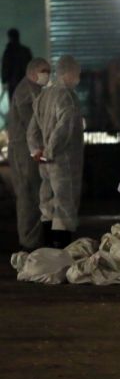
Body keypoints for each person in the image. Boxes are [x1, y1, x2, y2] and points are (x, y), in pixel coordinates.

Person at [27, 55, 83, 248]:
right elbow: (64, 126)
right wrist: (51, 150)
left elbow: (32, 129)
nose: (78, 78)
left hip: (45, 163)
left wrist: (36, 150)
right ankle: (61, 250)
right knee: (64, 205)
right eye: (76, 74)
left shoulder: (44, 95)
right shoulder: (65, 96)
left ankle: (48, 250)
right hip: (62, 161)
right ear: (67, 74)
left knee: (48, 204)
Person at [8, 57, 51, 250]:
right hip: (24, 151)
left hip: (29, 149)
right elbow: (33, 125)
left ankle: (33, 240)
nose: (47, 75)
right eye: (45, 71)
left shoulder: (33, 90)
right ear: (33, 72)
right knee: (29, 195)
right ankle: (29, 242)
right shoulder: (26, 92)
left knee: (35, 194)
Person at [2, 29, 33, 100]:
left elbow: (5, 67)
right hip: (24, 81)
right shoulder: (25, 51)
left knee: (14, 101)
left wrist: (4, 79)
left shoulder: (8, 51)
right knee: (24, 101)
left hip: (12, 82)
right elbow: (31, 66)